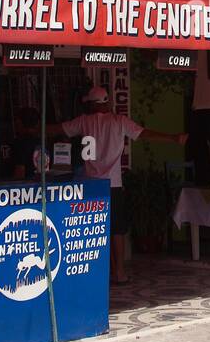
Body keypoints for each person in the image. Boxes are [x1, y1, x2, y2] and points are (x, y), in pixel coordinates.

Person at [58, 86, 185, 285]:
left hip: (91, 186)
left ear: (92, 104)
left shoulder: (83, 122)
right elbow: (144, 134)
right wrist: (172, 138)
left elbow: (58, 129)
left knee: (98, 230)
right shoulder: (119, 121)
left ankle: (104, 272)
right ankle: (119, 272)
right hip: (113, 184)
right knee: (116, 230)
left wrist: (32, 129)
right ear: (107, 103)